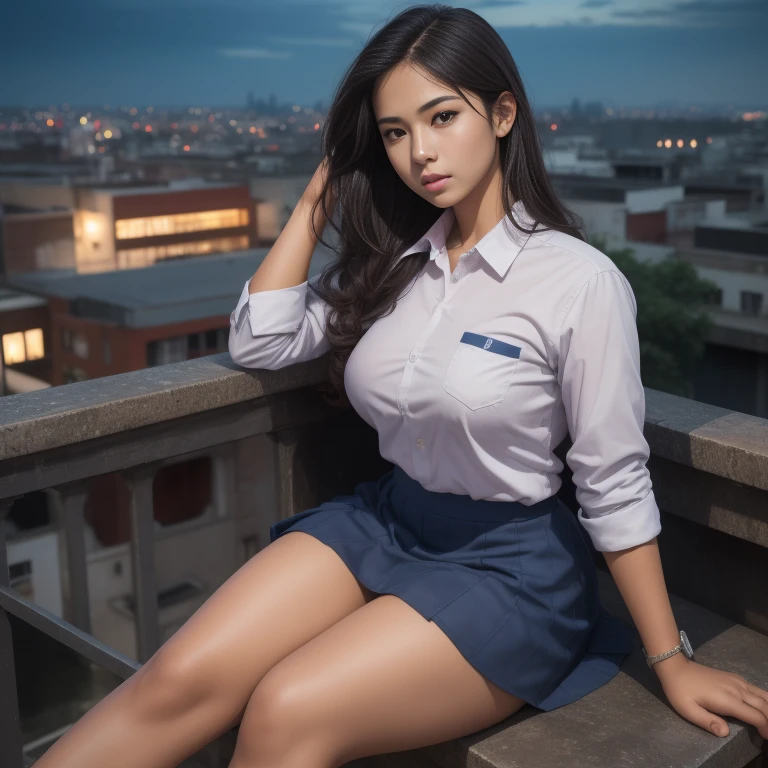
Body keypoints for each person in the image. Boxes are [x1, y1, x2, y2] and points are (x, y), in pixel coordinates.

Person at [35, 5, 768, 768]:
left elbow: (613, 478)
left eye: (442, 116)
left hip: (511, 563)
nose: (420, 152)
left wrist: (670, 659)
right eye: (393, 132)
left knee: (286, 709)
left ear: (504, 112)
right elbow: (262, 338)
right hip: (385, 520)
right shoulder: (394, 263)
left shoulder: (580, 284)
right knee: (177, 679)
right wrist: (326, 186)